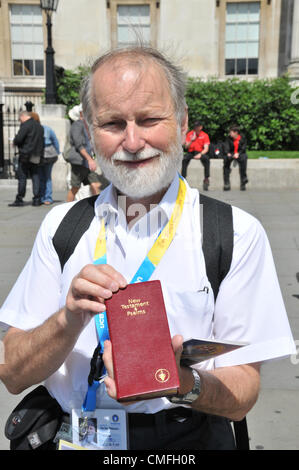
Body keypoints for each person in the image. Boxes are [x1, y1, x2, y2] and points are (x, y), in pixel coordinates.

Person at [0, 46, 295, 451]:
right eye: (113, 123)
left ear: (183, 120)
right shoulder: (62, 226)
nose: (134, 141)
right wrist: (67, 320)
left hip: (183, 439)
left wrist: (184, 382)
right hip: (74, 433)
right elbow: (13, 372)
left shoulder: (234, 234)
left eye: (151, 119)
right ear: (89, 126)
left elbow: (243, 391)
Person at [8, 110, 44, 207]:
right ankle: (37, 199)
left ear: (23, 116)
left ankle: (20, 198)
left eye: (20, 119)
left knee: (22, 177)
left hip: (25, 154)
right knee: (35, 176)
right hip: (36, 154)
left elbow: (19, 139)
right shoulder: (39, 126)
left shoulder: (25, 125)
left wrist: (15, 141)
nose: (20, 120)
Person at [66, 104, 100, 202]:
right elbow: (79, 145)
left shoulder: (86, 125)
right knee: (75, 188)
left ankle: (98, 206)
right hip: (80, 161)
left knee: (95, 184)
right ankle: (68, 208)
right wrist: (90, 160)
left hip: (87, 161)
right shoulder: (77, 125)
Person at [181, 121, 210, 190]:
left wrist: (200, 154)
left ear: (201, 127)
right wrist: (191, 140)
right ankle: (183, 178)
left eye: (197, 126)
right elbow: (186, 147)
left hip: (200, 152)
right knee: (184, 159)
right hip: (191, 152)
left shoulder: (205, 135)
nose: (196, 128)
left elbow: (206, 149)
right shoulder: (190, 134)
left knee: (206, 159)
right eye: (195, 126)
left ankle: (206, 178)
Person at [39, 124, 60, 205]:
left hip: (42, 155)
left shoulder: (45, 128)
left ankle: (45, 197)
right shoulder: (47, 128)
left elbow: (54, 140)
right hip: (50, 154)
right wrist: (57, 152)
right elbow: (55, 140)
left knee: (43, 177)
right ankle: (47, 197)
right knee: (47, 177)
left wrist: (57, 151)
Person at [223, 125, 248, 191]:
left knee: (244, 158)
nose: (230, 134)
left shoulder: (242, 138)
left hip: (239, 153)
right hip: (231, 153)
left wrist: (238, 153)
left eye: (231, 132)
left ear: (236, 132)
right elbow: (226, 147)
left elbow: (244, 148)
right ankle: (226, 183)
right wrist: (228, 153)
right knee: (226, 161)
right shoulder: (228, 138)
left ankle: (243, 180)